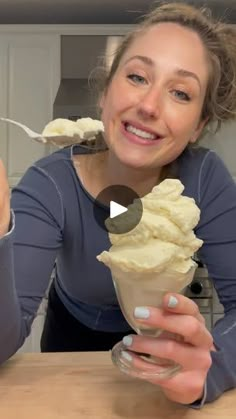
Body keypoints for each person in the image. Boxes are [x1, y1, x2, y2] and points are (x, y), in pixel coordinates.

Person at [0, 0, 236, 408]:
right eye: (138, 76)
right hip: (70, 341)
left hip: (166, 349)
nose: (149, 106)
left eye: (180, 92)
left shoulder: (206, 179)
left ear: (198, 124)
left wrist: (211, 370)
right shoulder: (50, 183)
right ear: (107, 92)